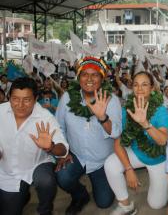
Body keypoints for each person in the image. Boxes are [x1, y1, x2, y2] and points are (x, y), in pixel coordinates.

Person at [55, 57, 122, 213]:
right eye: (85, 74)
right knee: (62, 176)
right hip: (77, 156)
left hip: (102, 161)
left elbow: (117, 132)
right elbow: (59, 126)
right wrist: (63, 152)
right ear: (79, 78)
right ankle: (80, 195)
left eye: (95, 75)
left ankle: (112, 177)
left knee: (104, 202)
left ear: (102, 78)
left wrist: (102, 117)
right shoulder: (67, 98)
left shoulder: (112, 101)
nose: (90, 79)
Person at [104, 71, 168, 214]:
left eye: (144, 84)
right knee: (110, 164)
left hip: (158, 159)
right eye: (136, 84)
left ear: (152, 88)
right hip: (136, 153)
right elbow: (118, 142)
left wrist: (145, 123)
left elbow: (163, 140)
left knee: (156, 205)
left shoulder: (160, 110)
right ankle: (126, 205)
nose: (139, 89)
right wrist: (128, 169)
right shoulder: (126, 109)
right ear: (132, 87)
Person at [0, 77, 68, 215]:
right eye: (15, 99)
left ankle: (45, 209)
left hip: (36, 165)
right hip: (7, 172)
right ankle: (23, 194)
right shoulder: (1, 111)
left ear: (36, 99)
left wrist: (51, 147)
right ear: (9, 97)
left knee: (46, 181)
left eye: (26, 99)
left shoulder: (45, 117)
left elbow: (63, 149)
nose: (20, 105)